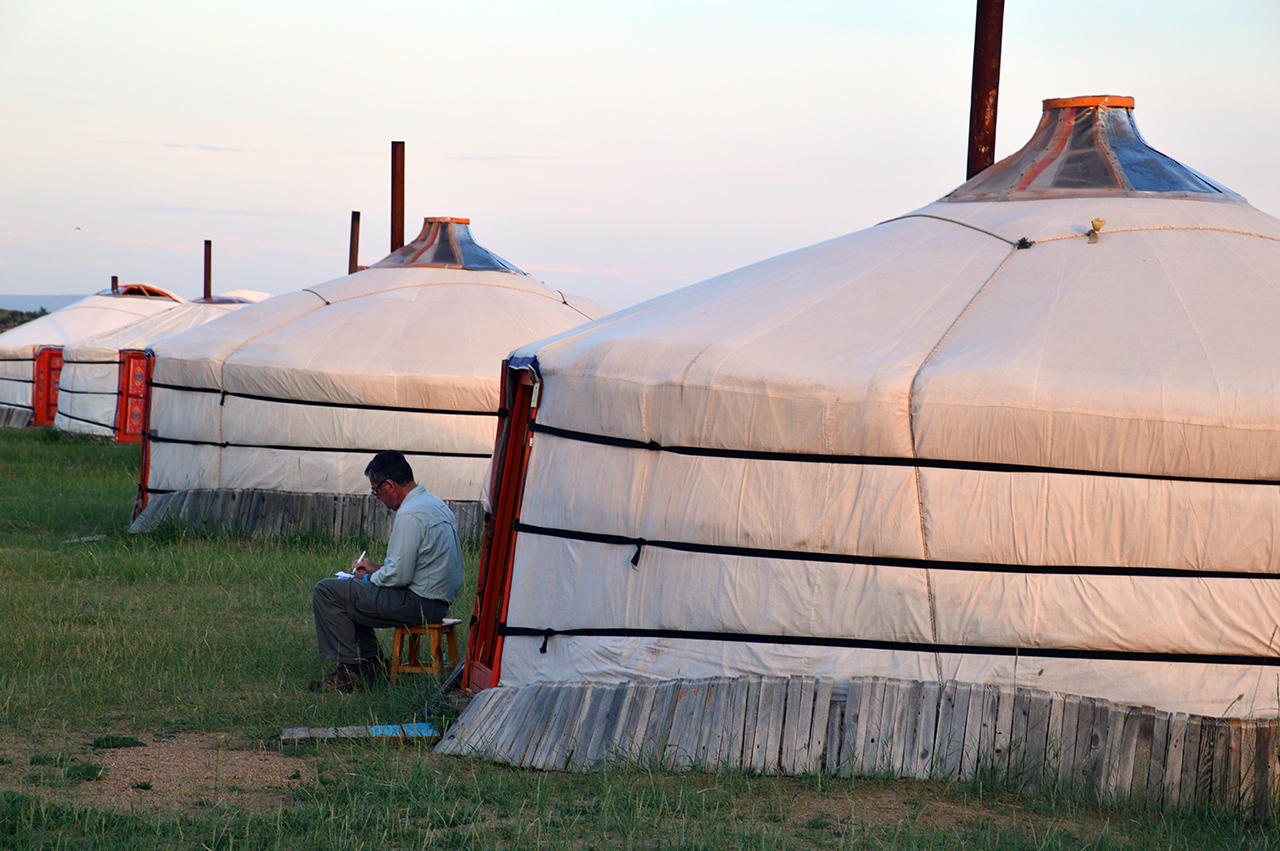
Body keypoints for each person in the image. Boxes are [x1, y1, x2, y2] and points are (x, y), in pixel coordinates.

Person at [310, 450, 464, 692]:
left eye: (376, 491)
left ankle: (354, 669)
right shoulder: (435, 504)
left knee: (328, 590)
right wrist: (375, 568)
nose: (377, 498)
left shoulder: (410, 514)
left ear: (389, 485)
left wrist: (369, 577)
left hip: (418, 603)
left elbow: (399, 577)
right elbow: (415, 568)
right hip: (438, 602)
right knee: (351, 591)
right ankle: (370, 663)